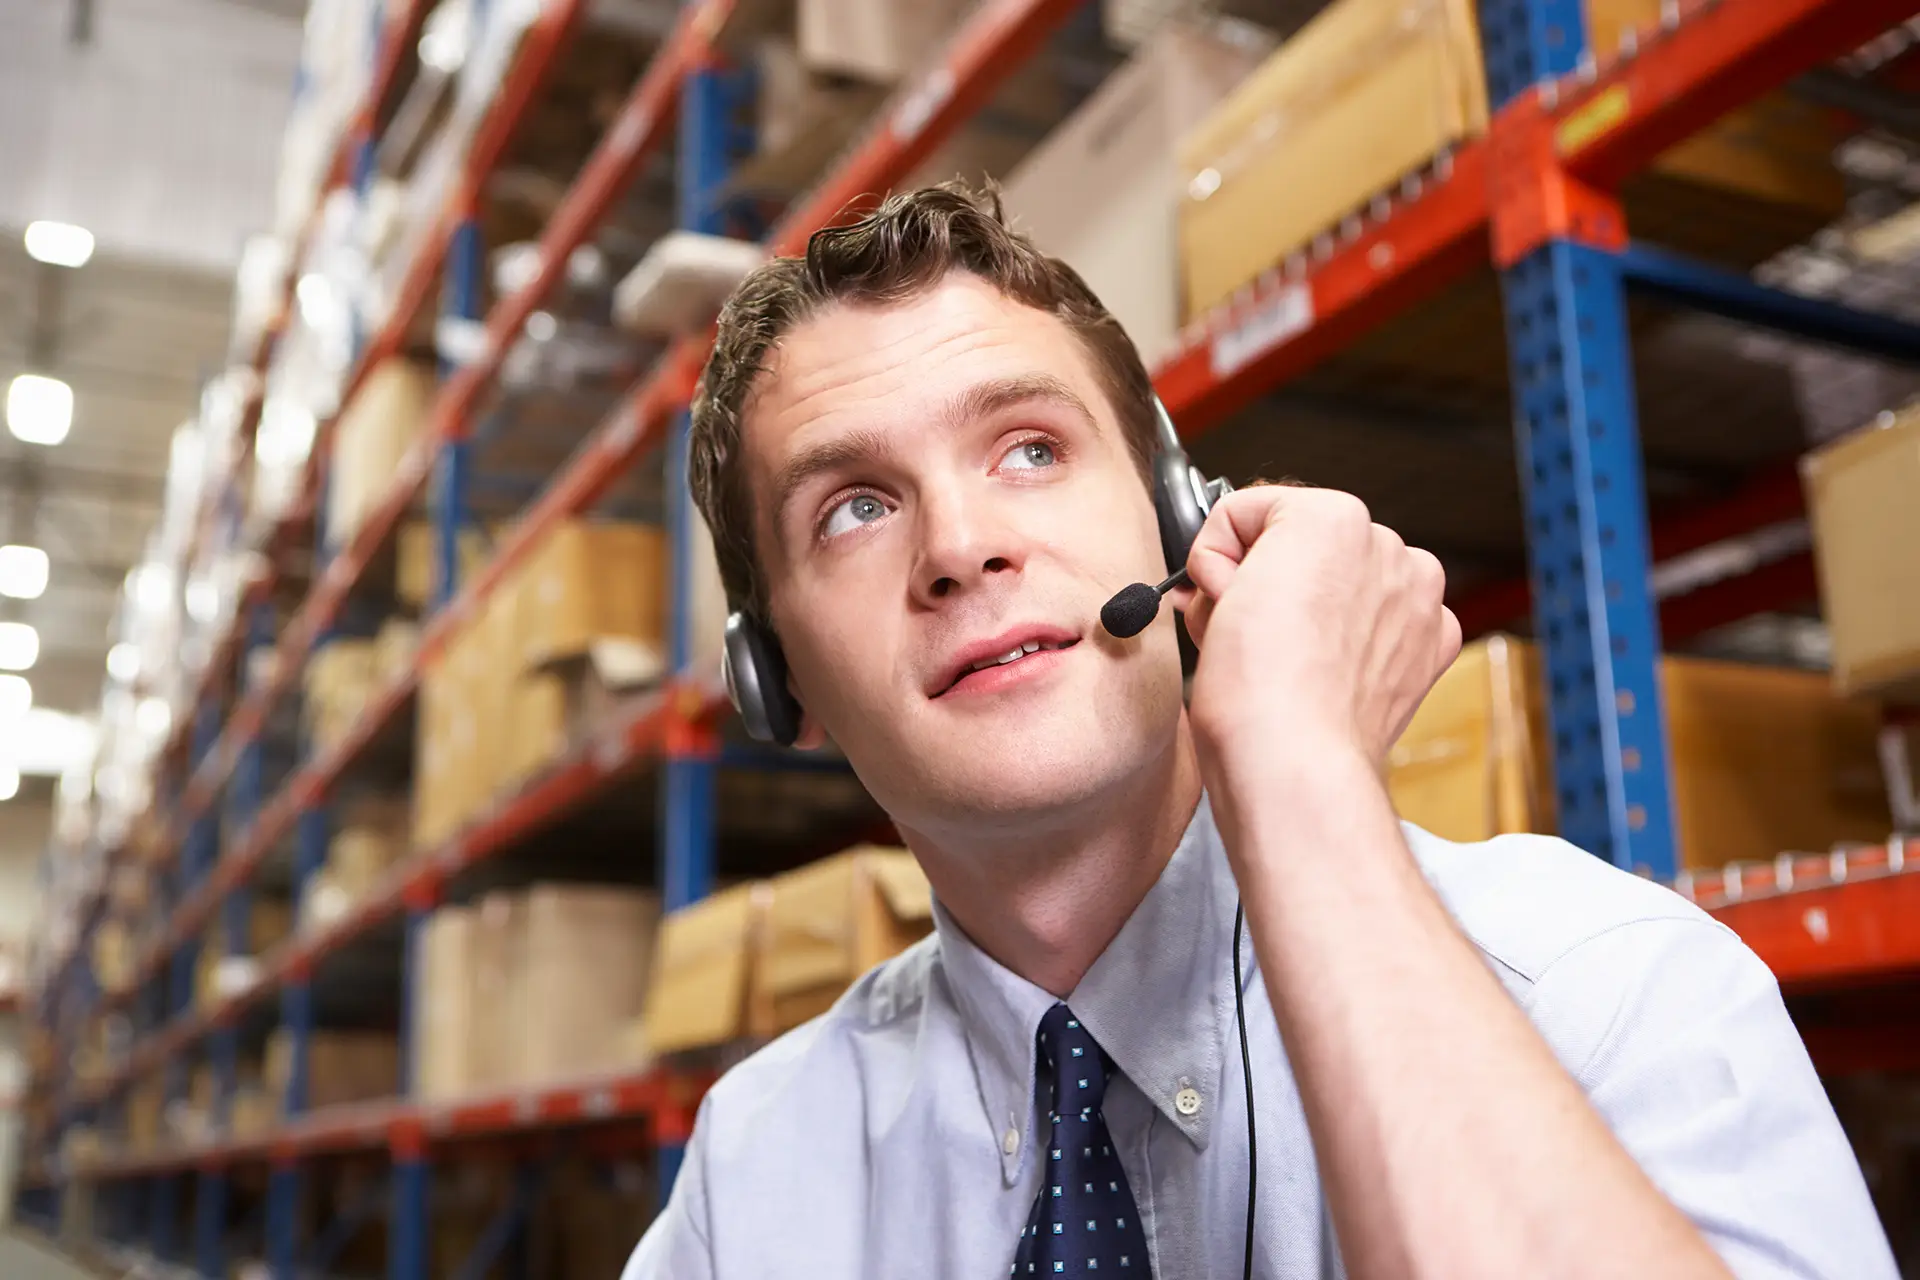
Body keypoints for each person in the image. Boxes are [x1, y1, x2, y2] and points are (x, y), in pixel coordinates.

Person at [622, 183, 1894, 1279]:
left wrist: (1298, 767)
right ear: (773, 676)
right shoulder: (755, 1181)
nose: (960, 547)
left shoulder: (1601, 987)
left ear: (1180, 517)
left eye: (1027, 449)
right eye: (852, 508)